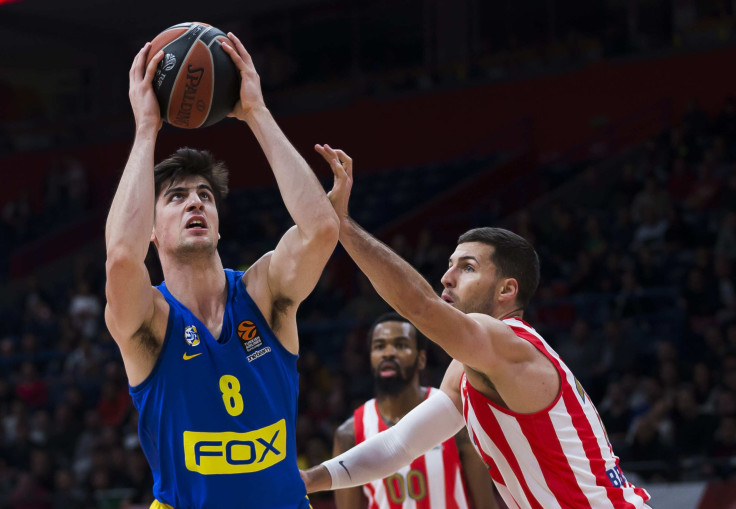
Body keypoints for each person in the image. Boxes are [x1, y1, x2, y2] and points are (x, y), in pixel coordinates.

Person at [302, 146, 652, 508]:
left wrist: (343, 225)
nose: (447, 277)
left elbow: (421, 306)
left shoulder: (507, 342)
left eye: (467, 268)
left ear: (506, 290)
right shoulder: (472, 368)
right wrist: (308, 480)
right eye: (450, 265)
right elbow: (398, 445)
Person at [104, 34, 342, 508]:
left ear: (217, 223)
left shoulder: (263, 293)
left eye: (205, 196)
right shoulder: (149, 320)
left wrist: (255, 111)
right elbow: (121, 259)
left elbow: (320, 230)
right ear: (151, 230)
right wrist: (147, 127)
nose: (195, 200)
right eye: (176, 197)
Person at [334, 312, 497, 509]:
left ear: (421, 359)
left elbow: (486, 504)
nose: (388, 353)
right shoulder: (349, 433)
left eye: (400, 345)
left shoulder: (455, 415)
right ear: (371, 358)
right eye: (379, 346)